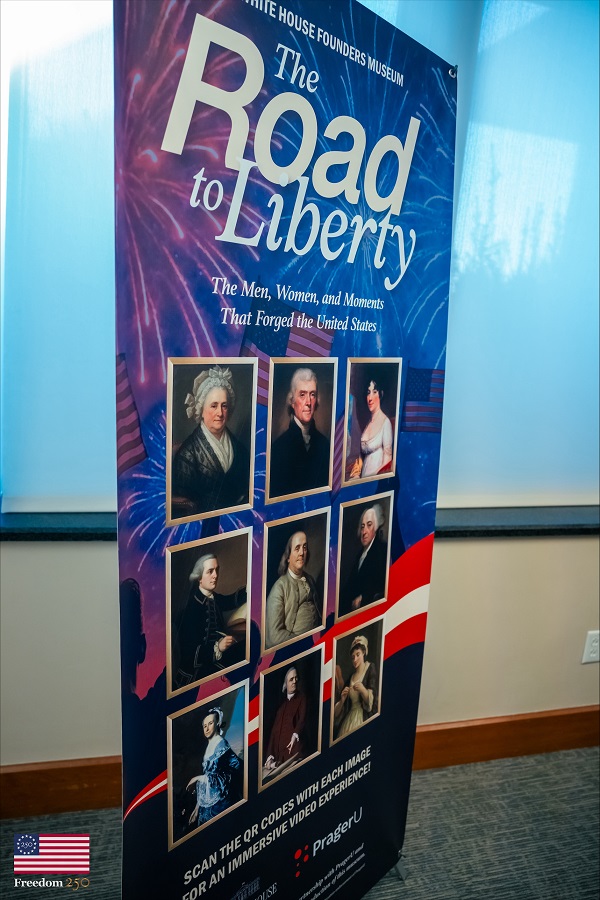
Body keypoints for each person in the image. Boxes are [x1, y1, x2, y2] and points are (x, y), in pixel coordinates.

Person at [172, 365, 250, 516]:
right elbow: (184, 508)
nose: (220, 413)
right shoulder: (187, 455)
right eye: (214, 406)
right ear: (201, 409)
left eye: (224, 406)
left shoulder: (240, 449)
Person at [174, 553, 246, 689]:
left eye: (216, 570)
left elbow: (229, 600)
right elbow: (190, 654)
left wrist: (248, 589)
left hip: (215, 660)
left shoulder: (213, 597)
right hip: (197, 672)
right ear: (199, 578)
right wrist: (217, 647)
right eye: (210, 571)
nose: (215, 575)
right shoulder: (191, 608)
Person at [269, 367, 330, 498]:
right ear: (292, 401)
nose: (308, 402)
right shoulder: (278, 448)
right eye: (302, 395)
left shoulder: (325, 445)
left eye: (312, 394)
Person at [265, 531, 321, 650]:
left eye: (304, 548)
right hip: (297, 651)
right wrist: (302, 643)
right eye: (297, 548)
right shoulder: (279, 588)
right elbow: (273, 637)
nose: (302, 553)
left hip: (318, 644)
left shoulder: (310, 579)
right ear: (288, 557)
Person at [186, 707, 242, 826]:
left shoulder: (221, 744)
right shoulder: (210, 745)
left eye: (210, 723)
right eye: (204, 726)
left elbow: (231, 771)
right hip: (208, 799)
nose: (206, 729)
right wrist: (197, 808)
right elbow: (208, 776)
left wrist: (197, 778)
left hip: (220, 801)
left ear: (217, 723)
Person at [338, 504, 388, 617]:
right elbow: (350, 585)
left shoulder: (381, 550)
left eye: (369, 525)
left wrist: (363, 597)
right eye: (362, 526)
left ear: (376, 527)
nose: (364, 531)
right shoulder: (360, 554)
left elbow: (381, 584)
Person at [333, 635, 378, 740]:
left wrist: (363, 690)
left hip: (363, 717)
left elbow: (372, 702)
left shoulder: (370, 668)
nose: (355, 659)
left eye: (358, 655)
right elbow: (335, 713)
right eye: (353, 657)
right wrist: (342, 700)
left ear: (364, 653)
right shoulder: (351, 678)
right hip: (349, 719)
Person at [264, 667, 307, 776]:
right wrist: (270, 756)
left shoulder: (302, 698)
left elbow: (302, 719)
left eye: (296, 678)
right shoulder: (281, 708)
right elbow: (274, 733)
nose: (294, 681)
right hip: (280, 758)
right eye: (291, 679)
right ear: (285, 684)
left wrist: (295, 735)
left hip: (294, 753)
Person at [349, 378, 393, 479]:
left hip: (375, 481)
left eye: (374, 392)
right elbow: (360, 458)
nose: (370, 398)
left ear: (381, 394)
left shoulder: (385, 423)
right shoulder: (368, 424)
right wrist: (356, 475)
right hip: (363, 480)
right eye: (368, 393)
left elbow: (387, 461)